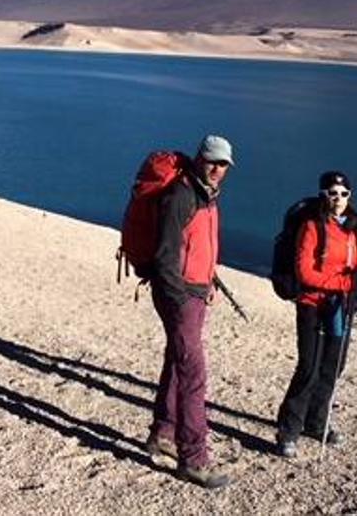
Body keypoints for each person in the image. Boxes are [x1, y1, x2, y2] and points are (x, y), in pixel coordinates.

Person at [145, 134, 235, 489]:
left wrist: (208, 282)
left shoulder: (207, 195)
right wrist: (180, 298)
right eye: (212, 161)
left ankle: (162, 433)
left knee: (177, 362)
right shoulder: (181, 195)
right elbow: (165, 256)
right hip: (179, 296)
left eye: (223, 164)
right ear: (200, 158)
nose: (217, 169)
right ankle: (193, 458)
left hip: (195, 292)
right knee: (194, 374)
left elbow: (197, 246)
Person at [275, 170, 357, 457]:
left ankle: (317, 423)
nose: (339, 198)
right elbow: (304, 272)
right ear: (323, 195)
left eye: (344, 194)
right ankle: (288, 430)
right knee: (309, 367)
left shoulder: (352, 226)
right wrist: (344, 283)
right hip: (313, 304)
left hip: (340, 307)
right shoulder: (311, 226)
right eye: (333, 193)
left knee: (333, 366)